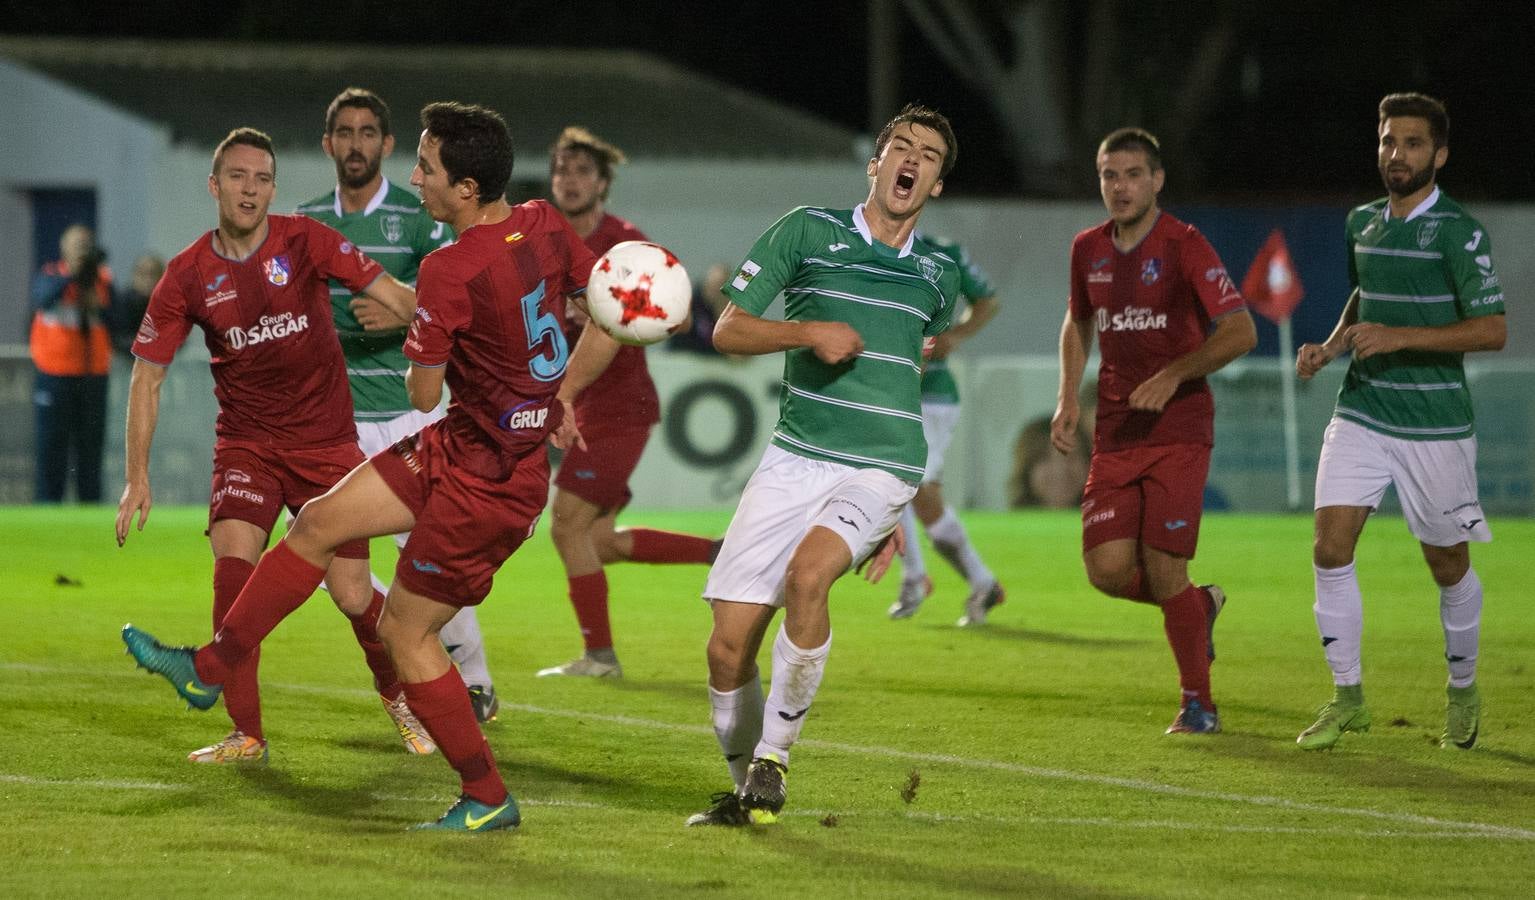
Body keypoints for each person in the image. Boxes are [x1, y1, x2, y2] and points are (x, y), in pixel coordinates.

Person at [122, 102, 601, 832]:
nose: (415, 178)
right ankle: (211, 669)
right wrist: (558, 389)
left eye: (428, 168)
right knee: (317, 523)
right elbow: (604, 306)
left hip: (487, 477)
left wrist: (431, 339)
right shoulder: (542, 222)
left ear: (465, 188)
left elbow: (422, 391)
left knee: (403, 634)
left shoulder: (448, 266)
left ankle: (486, 794)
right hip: (463, 442)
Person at [115, 127, 426, 764]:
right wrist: (135, 477)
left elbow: (394, 297)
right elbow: (147, 376)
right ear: (214, 185)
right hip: (247, 445)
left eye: (261, 178)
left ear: (273, 189)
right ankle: (246, 732)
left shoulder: (306, 240)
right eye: (237, 176)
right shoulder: (186, 275)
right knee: (233, 581)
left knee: (353, 596)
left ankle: (397, 692)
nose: (249, 188)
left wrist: (462, 320)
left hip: (326, 445)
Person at [686, 104, 960, 827]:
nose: (911, 159)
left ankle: (775, 757)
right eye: (900, 146)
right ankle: (747, 787)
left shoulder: (938, 275)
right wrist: (808, 331)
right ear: (875, 164)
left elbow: (905, 368)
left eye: (927, 155)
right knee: (725, 650)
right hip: (795, 459)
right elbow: (728, 328)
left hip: (881, 467)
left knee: (810, 576)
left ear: (934, 183)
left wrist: (886, 515)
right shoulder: (807, 230)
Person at [1294, 93, 1505, 752]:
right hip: (1362, 408)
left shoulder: (1457, 231)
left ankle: (1462, 688)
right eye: (1388, 141)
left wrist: (1398, 337)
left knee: (1445, 564)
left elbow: (1492, 330)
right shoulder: (1363, 221)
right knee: (1329, 549)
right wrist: (1331, 346)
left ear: (1437, 154)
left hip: (1434, 424)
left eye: (1412, 144)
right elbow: (1365, 295)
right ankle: (1347, 697)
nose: (1397, 154)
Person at [296, 87, 500, 724]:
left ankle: (473, 679)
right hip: (336, 418)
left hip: (410, 411)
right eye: (344, 132)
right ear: (328, 143)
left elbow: (454, 296)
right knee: (329, 560)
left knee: (430, 552)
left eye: (367, 133)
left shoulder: (420, 218)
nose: (355, 144)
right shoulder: (305, 223)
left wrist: (397, 317)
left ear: (385, 145)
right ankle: (421, 661)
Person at [1051, 127, 1256, 736]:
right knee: (1107, 571)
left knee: (1164, 570)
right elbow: (1077, 321)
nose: (1120, 187)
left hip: (1179, 429)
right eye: (1109, 176)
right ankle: (1200, 607)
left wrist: (1173, 375)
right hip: (1116, 429)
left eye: (1133, 174)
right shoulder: (1087, 248)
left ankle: (1199, 704)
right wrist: (1067, 396)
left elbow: (1240, 331)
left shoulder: (1185, 245)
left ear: (1158, 180)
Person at [539, 126, 719, 678]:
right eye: (562, 170)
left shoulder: (624, 245)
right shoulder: (543, 238)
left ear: (603, 183)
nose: (569, 181)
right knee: (599, 541)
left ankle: (600, 658)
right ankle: (722, 553)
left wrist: (636, 314)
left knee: (566, 526)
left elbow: (680, 312)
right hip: (584, 408)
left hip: (619, 409)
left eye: (582, 172)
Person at [886, 234, 1005, 623]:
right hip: (892, 391)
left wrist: (955, 335)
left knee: (907, 483)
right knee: (911, 493)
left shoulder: (942, 252)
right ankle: (981, 583)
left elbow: (987, 300)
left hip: (932, 394)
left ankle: (916, 577)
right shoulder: (863, 247)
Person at [30, 224, 113, 503]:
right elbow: (42, 299)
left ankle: (90, 510)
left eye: (85, 243)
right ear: (64, 247)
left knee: (90, 450)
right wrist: (73, 277)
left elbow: (118, 320)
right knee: (52, 449)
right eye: (75, 243)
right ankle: (47, 511)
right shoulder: (50, 275)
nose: (80, 248)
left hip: (93, 377)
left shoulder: (102, 281)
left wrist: (95, 298)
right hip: (54, 375)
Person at [110, 254, 165, 358]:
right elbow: (117, 338)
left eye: (153, 274)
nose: (148, 280)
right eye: (143, 274)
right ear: (134, 276)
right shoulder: (121, 302)